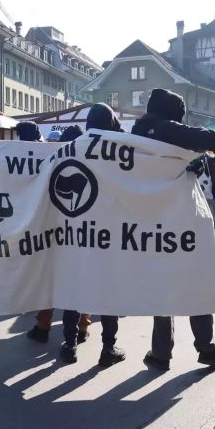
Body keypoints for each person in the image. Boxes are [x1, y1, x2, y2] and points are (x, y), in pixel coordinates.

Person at [132, 88, 215, 371]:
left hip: (148, 220)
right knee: (197, 280)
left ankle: (160, 352)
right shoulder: (165, 128)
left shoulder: (134, 134)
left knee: (162, 287)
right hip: (181, 216)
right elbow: (211, 139)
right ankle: (206, 347)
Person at [59, 103, 126, 367]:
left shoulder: (70, 147)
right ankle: (108, 348)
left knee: (74, 291)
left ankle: (69, 344)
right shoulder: (120, 150)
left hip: (75, 233)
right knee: (108, 293)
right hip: (108, 235)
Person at [17, 120, 93, 347]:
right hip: (84, 235)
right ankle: (82, 327)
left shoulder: (51, 161)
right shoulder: (91, 160)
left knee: (49, 280)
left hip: (53, 233)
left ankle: (43, 326)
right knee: (82, 281)